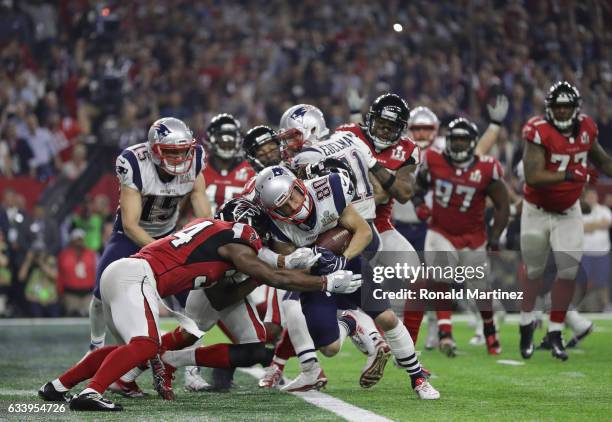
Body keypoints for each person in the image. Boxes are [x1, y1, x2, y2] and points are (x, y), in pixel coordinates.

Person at [38, 213, 361, 411]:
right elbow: (271, 276)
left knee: (132, 349)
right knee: (146, 345)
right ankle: (92, 392)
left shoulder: (216, 235)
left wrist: (279, 263)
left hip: (126, 274)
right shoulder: (236, 243)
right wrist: (325, 281)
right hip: (136, 275)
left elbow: (230, 293)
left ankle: (59, 385)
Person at [255, 165, 439, 399]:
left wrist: (342, 260)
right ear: (273, 211)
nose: (293, 205)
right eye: (283, 205)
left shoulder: (327, 189)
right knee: (329, 349)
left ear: (299, 185)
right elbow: (292, 275)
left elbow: (364, 232)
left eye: (293, 195)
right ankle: (349, 322)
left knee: (388, 318)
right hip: (317, 279)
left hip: (348, 261)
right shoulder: (277, 228)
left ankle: (418, 378)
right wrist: (309, 267)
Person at [87, 117, 212, 358]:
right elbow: (131, 225)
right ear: (154, 150)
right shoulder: (134, 162)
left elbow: (204, 213)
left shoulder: (195, 158)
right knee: (101, 293)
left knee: (193, 301)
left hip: (168, 234)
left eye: (182, 152)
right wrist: (169, 251)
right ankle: (94, 347)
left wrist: (201, 241)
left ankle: (191, 364)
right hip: (129, 237)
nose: (179, 159)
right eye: (170, 152)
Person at [519, 81, 612, 361]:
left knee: (568, 271)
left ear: (575, 109)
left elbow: (602, 160)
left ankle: (556, 332)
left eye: (566, 107)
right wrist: (571, 174)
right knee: (534, 272)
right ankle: (526, 326)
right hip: (536, 210)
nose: (561, 112)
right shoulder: (538, 130)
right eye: (557, 107)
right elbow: (533, 175)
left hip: (569, 210)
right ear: (549, 108)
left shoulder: (586, 128)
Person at [414, 117, 510, 356]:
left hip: (473, 237)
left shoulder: (487, 167)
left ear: (472, 142)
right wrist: (419, 205)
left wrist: (496, 235)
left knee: (480, 289)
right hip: (441, 229)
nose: (457, 144)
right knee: (440, 277)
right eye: (454, 139)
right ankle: (445, 332)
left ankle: (490, 331)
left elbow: (503, 205)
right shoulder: (434, 159)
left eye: (462, 140)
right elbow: (418, 186)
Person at [57, 229, 97, 316]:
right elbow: (60, 276)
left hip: (88, 294)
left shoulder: (91, 254)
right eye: (77, 240)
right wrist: (60, 293)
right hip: (71, 294)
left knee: (90, 318)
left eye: (81, 239)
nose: (79, 242)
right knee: (72, 318)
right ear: (72, 241)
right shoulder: (64, 255)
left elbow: (97, 273)